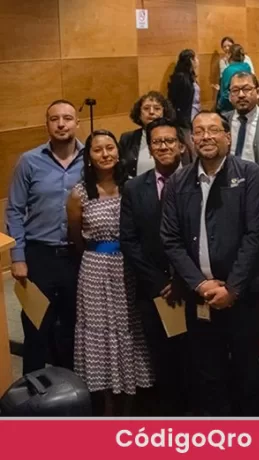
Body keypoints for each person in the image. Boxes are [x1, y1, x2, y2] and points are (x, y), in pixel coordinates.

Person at [160, 111, 259, 416]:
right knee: (208, 374)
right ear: (191, 140)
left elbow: (256, 235)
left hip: (243, 296)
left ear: (228, 136)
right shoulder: (178, 181)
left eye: (213, 130)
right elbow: (170, 238)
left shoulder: (250, 175)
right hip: (199, 296)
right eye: (199, 131)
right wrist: (200, 283)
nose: (206, 136)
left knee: (246, 373)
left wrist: (231, 288)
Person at [67, 129, 152, 414]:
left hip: (129, 269)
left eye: (110, 148)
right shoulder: (79, 194)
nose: (105, 154)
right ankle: (105, 408)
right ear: (88, 157)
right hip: (94, 270)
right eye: (98, 149)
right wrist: (98, 256)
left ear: (118, 151)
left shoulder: (133, 186)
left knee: (130, 329)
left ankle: (131, 405)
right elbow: (76, 237)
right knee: (100, 335)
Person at [7, 101, 84, 374]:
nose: (61, 124)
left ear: (77, 123)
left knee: (72, 328)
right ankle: (32, 396)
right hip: (39, 256)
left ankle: (70, 396)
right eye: (55, 119)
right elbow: (14, 210)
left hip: (77, 257)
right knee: (35, 325)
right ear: (47, 124)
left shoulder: (91, 159)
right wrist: (17, 257)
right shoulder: (29, 161)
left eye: (67, 118)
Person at [119, 118, 189, 416]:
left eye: (169, 141)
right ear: (150, 147)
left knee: (194, 357)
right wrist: (160, 281)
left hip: (193, 286)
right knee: (160, 357)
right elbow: (129, 240)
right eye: (157, 142)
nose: (163, 147)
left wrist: (183, 279)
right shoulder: (135, 188)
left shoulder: (198, 182)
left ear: (182, 146)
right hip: (153, 289)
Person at [119, 92, 177, 178]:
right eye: (146, 108)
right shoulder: (127, 138)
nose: (151, 112)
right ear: (139, 114)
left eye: (157, 108)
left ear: (164, 113)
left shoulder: (177, 136)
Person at [167, 49, 200, 128]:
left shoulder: (190, 75)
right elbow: (176, 100)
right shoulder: (181, 77)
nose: (198, 61)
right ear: (191, 60)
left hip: (195, 114)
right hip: (185, 119)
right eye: (196, 58)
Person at [216, 44, 251, 112]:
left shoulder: (228, 70)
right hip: (245, 104)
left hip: (230, 108)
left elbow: (226, 93)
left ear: (229, 54)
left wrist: (219, 105)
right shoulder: (247, 66)